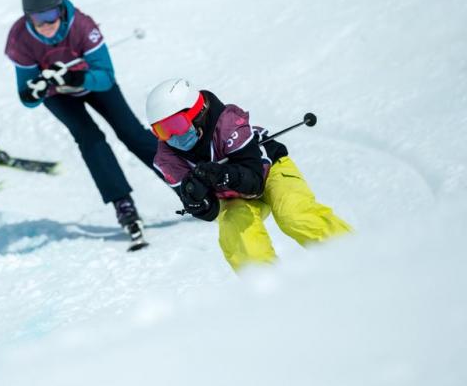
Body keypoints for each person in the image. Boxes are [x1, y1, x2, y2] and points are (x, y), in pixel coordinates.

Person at [4, 0, 161, 243]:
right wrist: (35, 92)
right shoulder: (20, 39)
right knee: (90, 139)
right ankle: (122, 204)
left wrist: (78, 79)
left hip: (95, 84)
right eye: (37, 19)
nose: (45, 25)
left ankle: (186, 178)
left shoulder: (82, 26)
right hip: (59, 96)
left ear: (61, 10)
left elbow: (106, 76)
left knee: (132, 133)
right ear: (27, 18)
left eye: (50, 15)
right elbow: (27, 97)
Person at [145, 78, 351, 271]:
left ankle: (352, 256)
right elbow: (209, 211)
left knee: (293, 215)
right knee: (236, 231)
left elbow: (255, 181)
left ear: (197, 113)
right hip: (231, 195)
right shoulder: (167, 159)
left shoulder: (227, 124)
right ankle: (270, 289)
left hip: (269, 171)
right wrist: (196, 199)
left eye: (176, 125)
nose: (172, 137)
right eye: (162, 131)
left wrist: (223, 175)